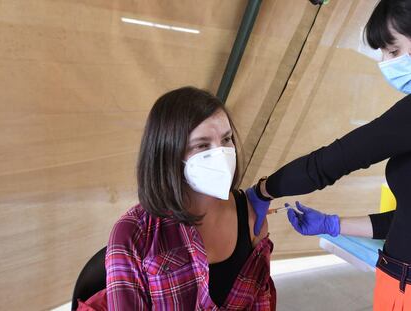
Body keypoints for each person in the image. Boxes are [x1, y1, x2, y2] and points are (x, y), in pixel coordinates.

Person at [246, 0, 411, 310]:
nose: (387, 63)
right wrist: (334, 224)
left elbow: (330, 162)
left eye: (393, 51)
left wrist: (263, 189)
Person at [106, 86, 276, 310]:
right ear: (168, 154)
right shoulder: (134, 234)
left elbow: (260, 300)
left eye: (226, 140)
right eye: (202, 146)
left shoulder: (250, 213)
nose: (222, 155)